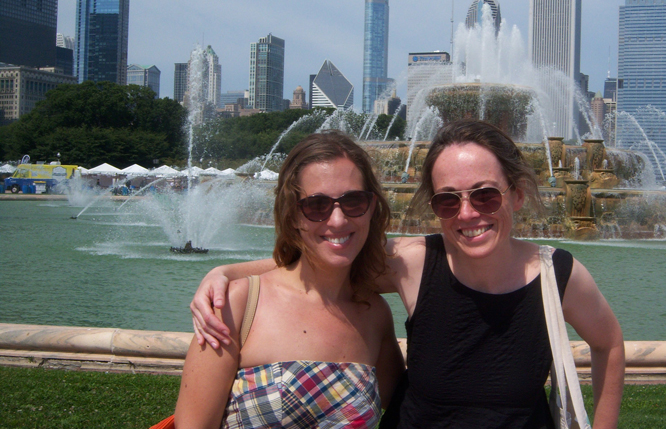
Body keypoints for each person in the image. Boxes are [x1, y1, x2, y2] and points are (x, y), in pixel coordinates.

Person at [192, 121, 625, 428]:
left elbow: (609, 343)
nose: (468, 213)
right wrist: (226, 271)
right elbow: (327, 255)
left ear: (516, 194)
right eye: (448, 200)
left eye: (486, 195)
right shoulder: (415, 263)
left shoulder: (558, 275)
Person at [174, 131, 404, 429]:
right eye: (317, 205)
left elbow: (407, 406)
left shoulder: (374, 314)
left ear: (372, 207)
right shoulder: (235, 305)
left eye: (354, 201)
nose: (337, 220)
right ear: (293, 214)